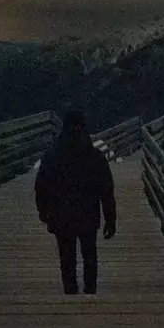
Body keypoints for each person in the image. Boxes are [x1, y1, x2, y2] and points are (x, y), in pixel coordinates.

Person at [35, 108, 116, 294]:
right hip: (88, 215)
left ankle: (71, 293)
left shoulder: (52, 156)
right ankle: (90, 292)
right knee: (89, 256)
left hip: (61, 216)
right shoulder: (95, 157)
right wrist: (110, 218)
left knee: (67, 259)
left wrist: (43, 211)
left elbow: (41, 186)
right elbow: (106, 190)